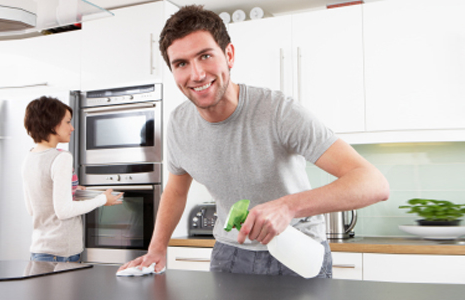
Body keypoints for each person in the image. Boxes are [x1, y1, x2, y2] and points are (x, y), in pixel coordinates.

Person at [119, 5, 389, 277]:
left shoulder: (278, 111)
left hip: (296, 249)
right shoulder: (179, 123)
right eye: (181, 63)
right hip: (229, 254)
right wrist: (157, 248)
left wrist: (288, 206)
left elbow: (374, 183)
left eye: (205, 56)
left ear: (229, 55)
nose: (197, 74)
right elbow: (176, 191)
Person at [22, 96, 123, 263]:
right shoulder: (61, 158)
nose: (72, 128)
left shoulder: (30, 157)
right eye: (68, 122)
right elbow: (64, 211)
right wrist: (102, 199)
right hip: (61, 252)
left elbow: (33, 208)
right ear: (53, 124)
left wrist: (71, 192)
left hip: (39, 250)